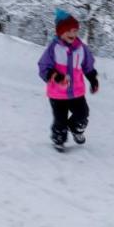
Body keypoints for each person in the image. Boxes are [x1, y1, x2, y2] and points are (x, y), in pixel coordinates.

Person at [37, 10, 99, 151]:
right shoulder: (54, 48)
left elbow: (88, 66)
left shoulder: (81, 49)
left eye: (75, 30)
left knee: (83, 114)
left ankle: (76, 129)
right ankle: (59, 139)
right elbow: (43, 67)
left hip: (76, 92)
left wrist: (93, 79)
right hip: (57, 94)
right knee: (60, 120)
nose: (73, 33)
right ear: (60, 32)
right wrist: (56, 76)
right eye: (68, 31)